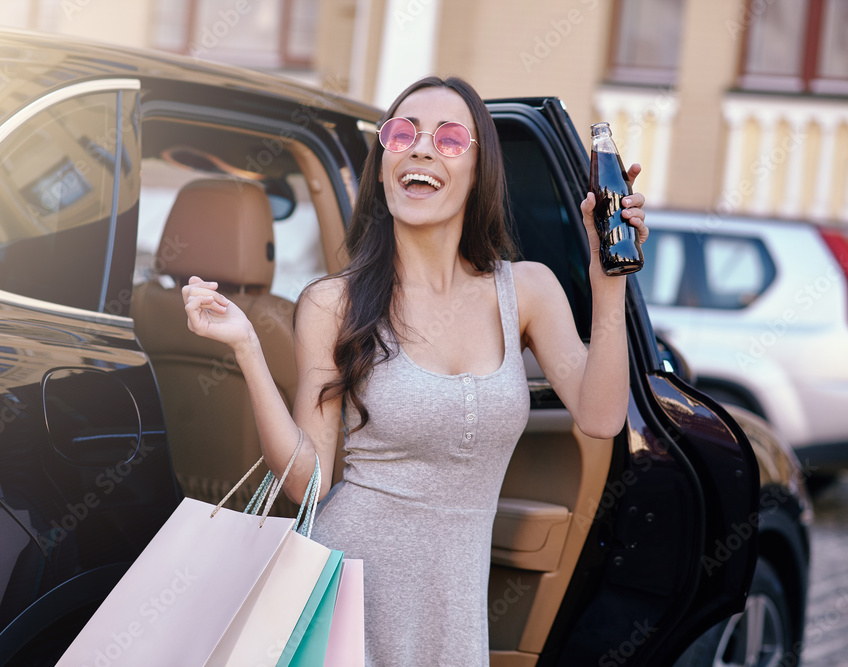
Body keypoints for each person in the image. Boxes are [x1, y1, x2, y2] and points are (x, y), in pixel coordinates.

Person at [182, 75, 648, 666]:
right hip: (349, 596)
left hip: (453, 618)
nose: (422, 148)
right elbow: (309, 483)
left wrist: (609, 281)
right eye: (403, 133)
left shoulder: (527, 290)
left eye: (450, 139)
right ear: (383, 167)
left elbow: (603, 416)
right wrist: (248, 348)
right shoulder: (334, 303)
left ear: (479, 172)